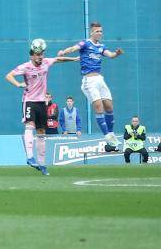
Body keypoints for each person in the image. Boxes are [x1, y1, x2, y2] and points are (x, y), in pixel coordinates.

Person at [7, 41, 74, 175]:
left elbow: (59, 59)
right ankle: (30, 157)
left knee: (41, 132)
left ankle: (42, 164)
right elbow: (9, 75)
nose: (40, 56)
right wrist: (18, 84)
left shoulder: (46, 62)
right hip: (29, 101)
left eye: (42, 54)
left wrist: (75, 59)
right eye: (38, 54)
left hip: (42, 102)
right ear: (32, 55)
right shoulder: (25, 67)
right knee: (29, 125)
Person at [58, 22, 124, 149]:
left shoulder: (101, 46)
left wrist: (117, 54)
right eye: (97, 31)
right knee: (99, 107)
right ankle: (107, 136)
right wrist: (63, 51)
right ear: (91, 32)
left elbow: (110, 55)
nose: (99, 33)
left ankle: (111, 133)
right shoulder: (85, 43)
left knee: (109, 107)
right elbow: (74, 48)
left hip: (100, 79)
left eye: (101, 31)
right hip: (89, 81)